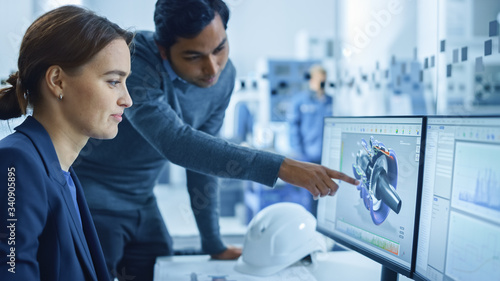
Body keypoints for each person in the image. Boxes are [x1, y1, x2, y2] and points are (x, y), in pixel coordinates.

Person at [73, 1, 359, 280]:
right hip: (92, 193)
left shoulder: (224, 77)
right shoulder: (135, 58)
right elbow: (176, 142)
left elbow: (202, 160)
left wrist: (213, 242)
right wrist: (280, 166)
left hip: (143, 197)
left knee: (158, 264)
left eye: (220, 49)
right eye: (193, 57)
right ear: (163, 50)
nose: (212, 69)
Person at [0, 5, 133, 281]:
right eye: (112, 81)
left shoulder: (62, 170)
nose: (126, 99)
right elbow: (11, 268)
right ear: (57, 81)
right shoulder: (17, 162)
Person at [288, 64, 333, 164]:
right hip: (305, 155)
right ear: (311, 80)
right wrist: (298, 153)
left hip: (325, 155)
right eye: (319, 80)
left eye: (323, 80)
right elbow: (293, 127)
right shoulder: (299, 101)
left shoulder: (330, 102)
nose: (321, 83)